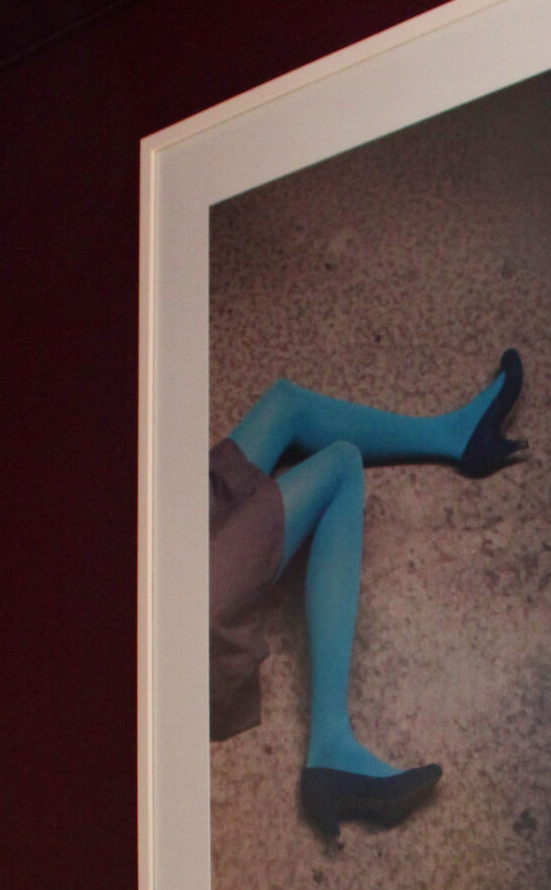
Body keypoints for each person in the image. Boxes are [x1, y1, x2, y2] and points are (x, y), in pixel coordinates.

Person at [208, 352, 525, 840]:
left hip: (169, 533)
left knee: (286, 403)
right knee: (339, 465)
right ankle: (329, 748)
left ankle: (456, 436)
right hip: (173, 596)